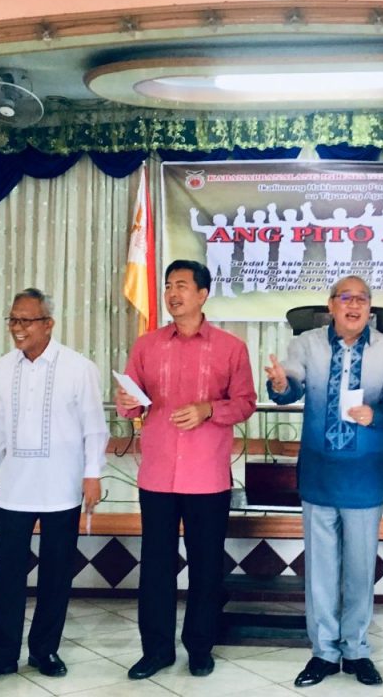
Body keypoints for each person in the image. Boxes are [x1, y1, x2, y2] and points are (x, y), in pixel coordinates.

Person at [265, 276, 383, 688]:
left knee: (360, 570)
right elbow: (289, 387)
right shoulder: (307, 344)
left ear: (370, 308)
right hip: (319, 473)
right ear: (331, 305)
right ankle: (324, 652)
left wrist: (377, 415)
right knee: (321, 570)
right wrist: (280, 384)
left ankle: (357, 650)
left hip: (364, 476)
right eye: (346, 298)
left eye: (362, 299)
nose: (354, 305)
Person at [117, 259, 257, 680]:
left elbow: (245, 403)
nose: (172, 294)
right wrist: (128, 403)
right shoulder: (147, 345)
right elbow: (132, 401)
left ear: (202, 294)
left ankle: (199, 647)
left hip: (207, 476)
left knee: (206, 566)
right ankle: (156, 650)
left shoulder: (231, 347)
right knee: (156, 566)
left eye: (181, 285)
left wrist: (209, 409)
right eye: (168, 286)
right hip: (158, 474)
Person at [0, 288, 108, 680]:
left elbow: (95, 428)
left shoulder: (78, 367)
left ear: (48, 324)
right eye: (13, 320)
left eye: (26, 320)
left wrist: (92, 473)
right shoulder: (2, 368)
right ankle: (1, 653)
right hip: (15, 487)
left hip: (62, 486)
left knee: (56, 574)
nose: (17, 328)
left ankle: (45, 651)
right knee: (7, 573)